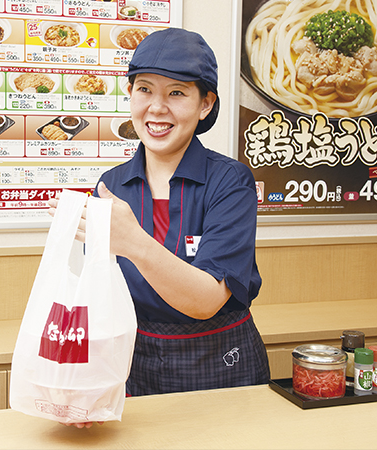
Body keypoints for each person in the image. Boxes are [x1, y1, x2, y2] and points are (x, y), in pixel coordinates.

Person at [49, 27, 270, 427]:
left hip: (220, 360)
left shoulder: (231, 182)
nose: (156, 108)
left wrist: (134, 242)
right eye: (145, 89)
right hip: (136, 359)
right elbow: (94, 297)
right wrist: (84, 382)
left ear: (206, 105)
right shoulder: (112, 185)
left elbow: (206, 300)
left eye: (177, 93)